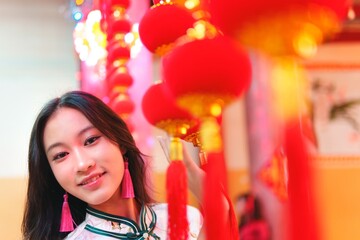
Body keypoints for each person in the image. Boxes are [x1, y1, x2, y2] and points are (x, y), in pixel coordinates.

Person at [22, 90, 204, 240]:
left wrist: (210, 198)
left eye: (91, 140)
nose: (83, 164)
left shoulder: (188, 219)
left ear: (121, 143)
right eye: (61, 155)